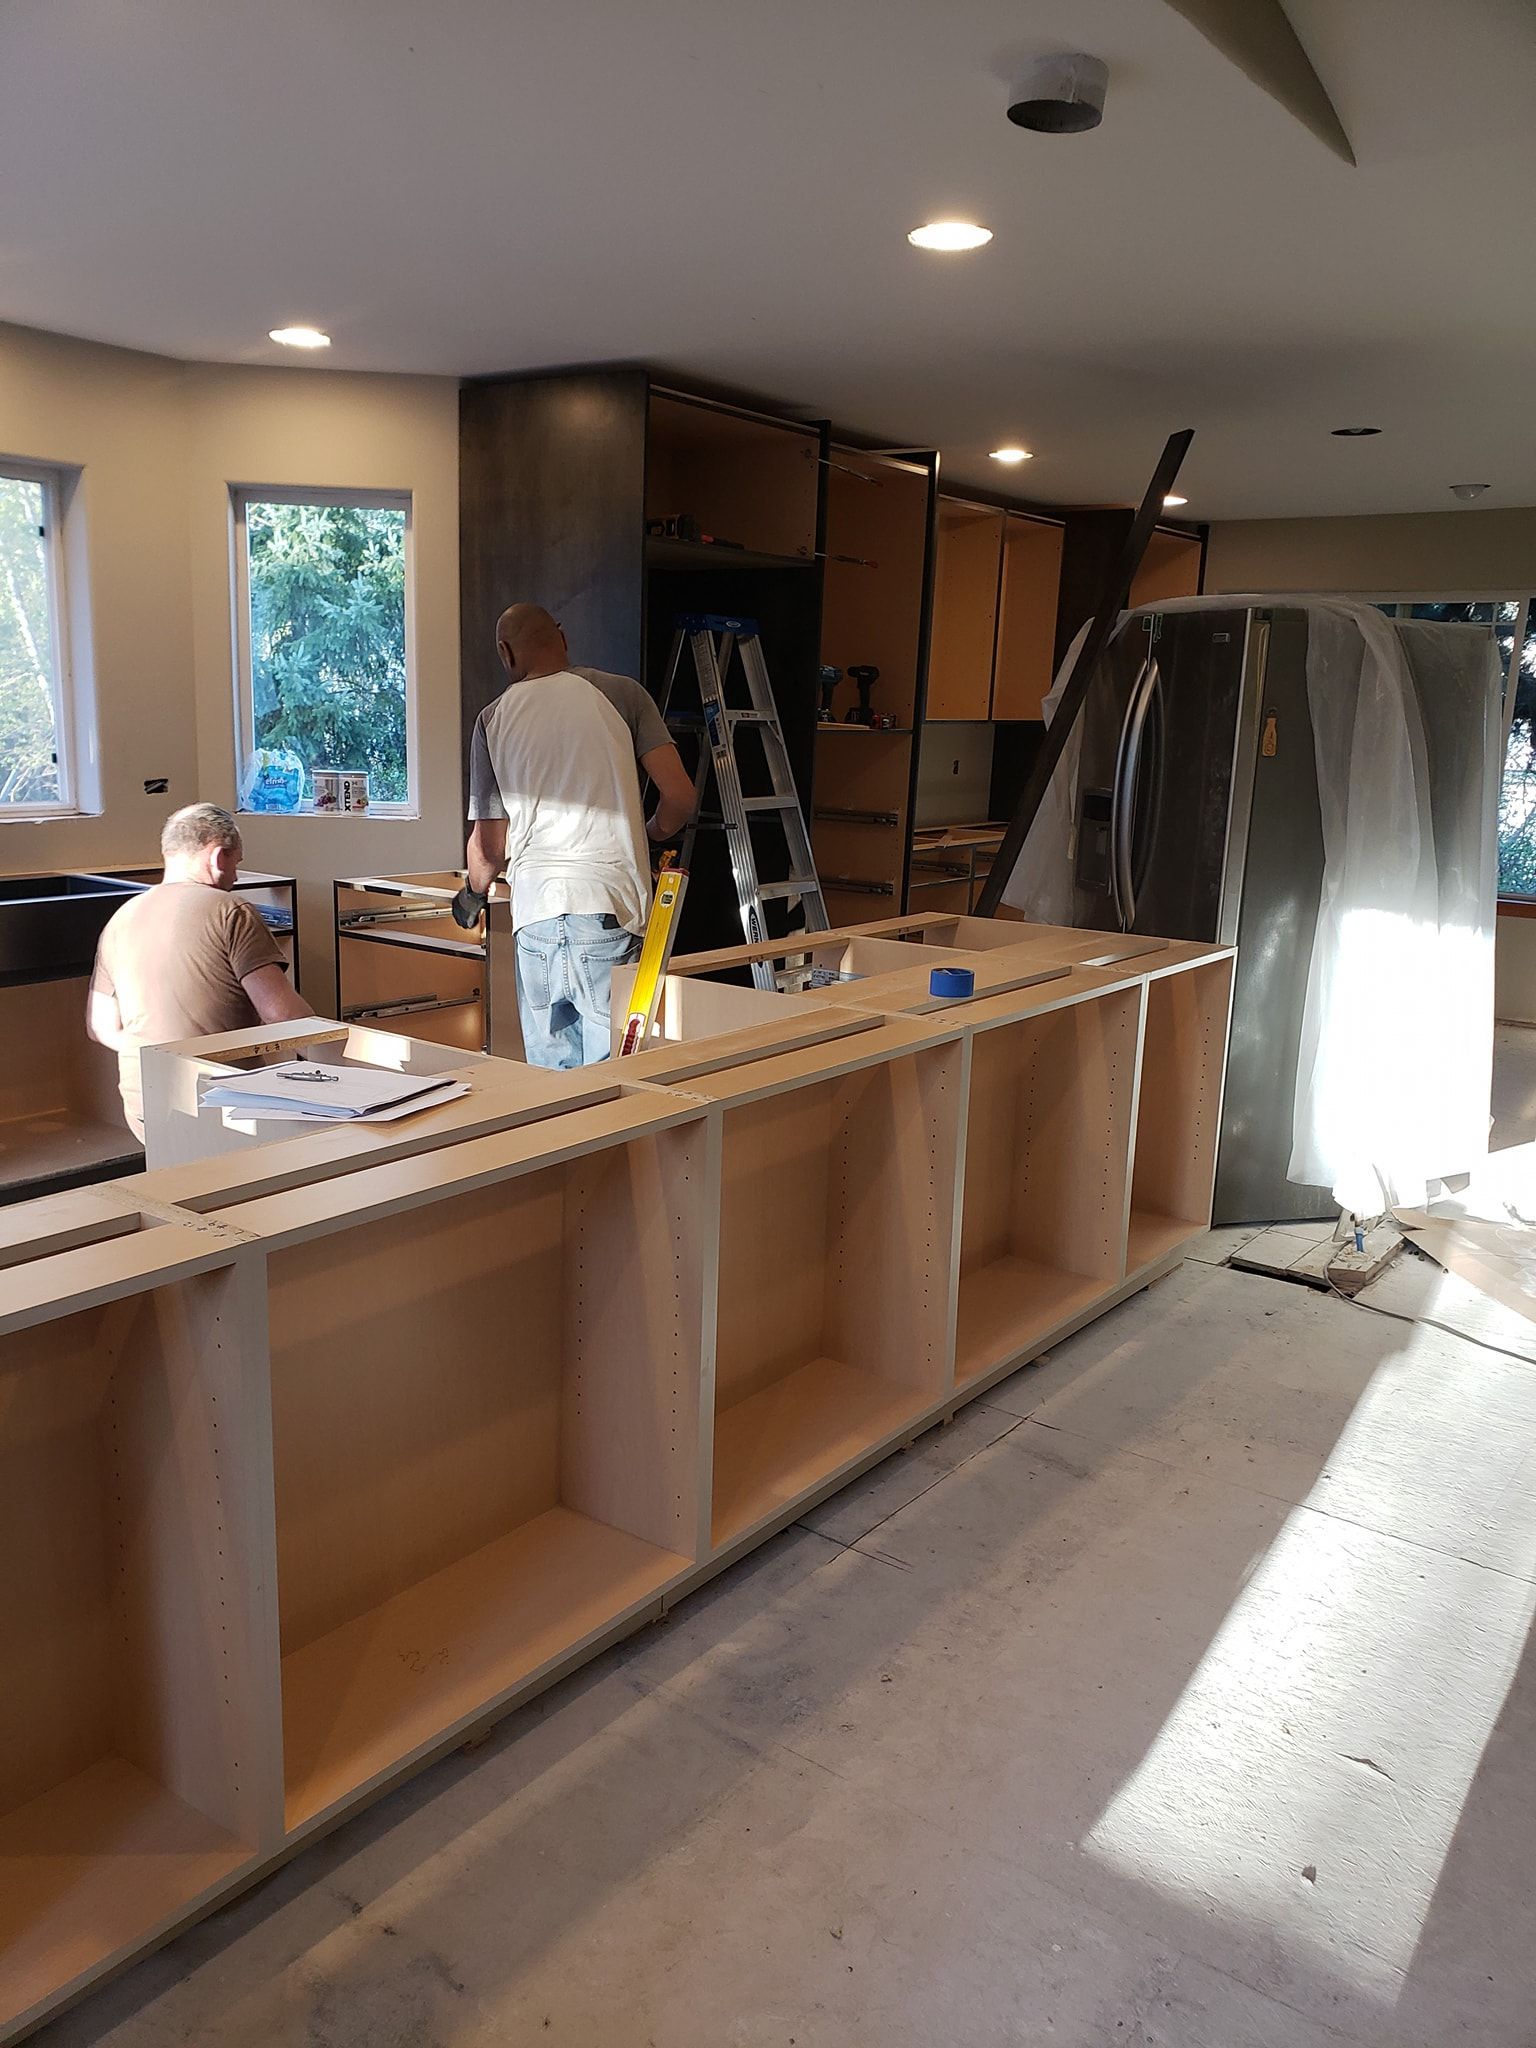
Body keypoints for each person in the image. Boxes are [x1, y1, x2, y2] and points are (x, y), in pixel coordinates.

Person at [457, 603, 695, 1068]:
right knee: (615, 1083)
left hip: (537, 918)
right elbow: (680, 799)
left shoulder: (491, 719)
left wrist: (472, 892)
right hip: (611, 910)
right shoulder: (622, 694)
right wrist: (644, 836)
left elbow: (488, 847)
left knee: (555, 1093)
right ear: (562, 637)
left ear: (505, 652)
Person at [88, 802, 313, 1141]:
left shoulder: (122, 917)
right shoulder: (231, 911)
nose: (236, 877)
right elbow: (283, 1015)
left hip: (143, 1107)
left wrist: (158, 1055)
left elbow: (99, 1028)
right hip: (222, 1104)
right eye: (236, 863)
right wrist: (338, 1065)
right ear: (218, 856)